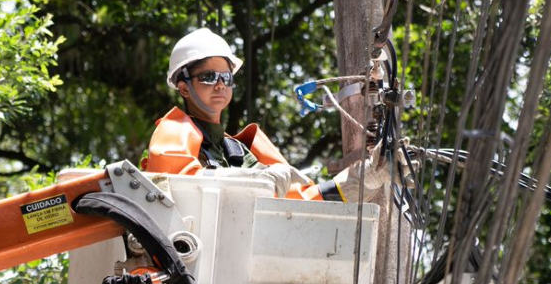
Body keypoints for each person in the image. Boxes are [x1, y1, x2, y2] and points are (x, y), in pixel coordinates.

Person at [143, 28, 383, 201]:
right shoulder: (173, 131)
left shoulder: (237, 151)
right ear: (184, 87)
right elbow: (178, 183)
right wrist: (255, 179)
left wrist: (367, 176)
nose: (219, 85)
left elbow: (298, 202)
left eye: (226, 77)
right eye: (208, 77)